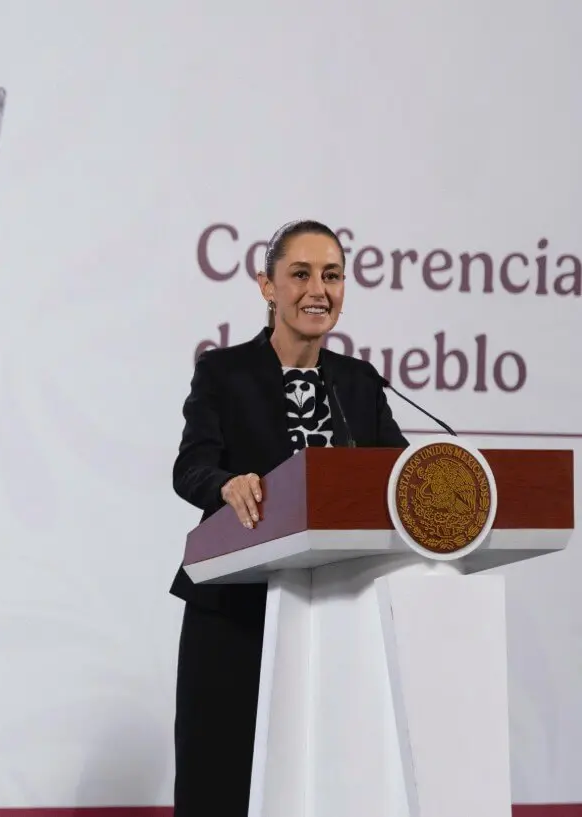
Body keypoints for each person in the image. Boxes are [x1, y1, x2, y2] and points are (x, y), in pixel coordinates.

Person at [169, 219, 408, 815]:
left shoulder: (359, 381)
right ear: (267, 286)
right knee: (222, 776)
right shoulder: (223, 371)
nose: (317, 289)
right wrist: (228, 485)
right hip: (236, 605)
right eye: (299, 274)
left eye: (331, 275)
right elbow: (191, 468)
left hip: (334, 610)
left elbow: (403, 475)